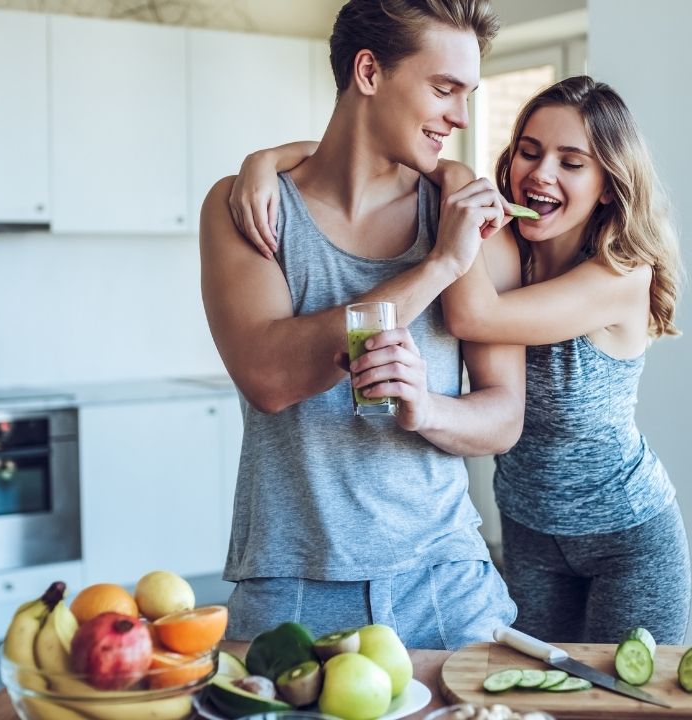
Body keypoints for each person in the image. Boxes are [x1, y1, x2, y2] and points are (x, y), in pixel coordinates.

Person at [231, 75, 690, 645]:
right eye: (530, 151)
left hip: (625, 536)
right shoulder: (507, 248)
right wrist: (266, 159)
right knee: (543, 700)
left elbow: (473, 318)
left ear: (606, 186)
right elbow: (359, 148)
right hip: (527, 531)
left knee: (627, 706)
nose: (542, 173)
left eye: (572, 162)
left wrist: (453, 179)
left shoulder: (620, 276)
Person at [199, 0, 526, 650]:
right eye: (443, 88)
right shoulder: (252, 209)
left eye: (468, 94)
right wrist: (436, 268)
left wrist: (425, 408)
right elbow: (269, 375)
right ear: (370, 71)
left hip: (448, 586)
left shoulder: (467, 218)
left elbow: (503, 418)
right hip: (290, 588)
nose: (460, 117)